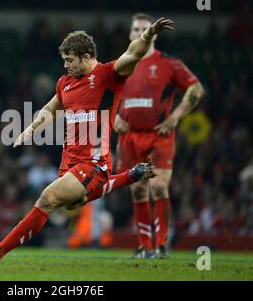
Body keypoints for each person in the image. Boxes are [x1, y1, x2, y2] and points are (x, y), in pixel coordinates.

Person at [0, 17, 174, 261]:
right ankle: (130, 176)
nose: (65, 65)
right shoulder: (65, 83)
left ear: (85, 56)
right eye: (64, 60)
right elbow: (50, 108)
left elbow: (132, 55)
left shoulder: (108, 75)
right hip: (68, 163)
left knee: (47, 199)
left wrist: (147, 36)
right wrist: (30, 129)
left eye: (69, 60)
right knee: (73, 203)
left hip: (93, 164)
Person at [79, 13, 204, 259]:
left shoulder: (169, 64)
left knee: (158, 187)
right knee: (137, 191)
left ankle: (162, 244)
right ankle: (145, 247)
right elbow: (95, 94)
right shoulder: (122, 65)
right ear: (130, 34)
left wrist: (176, 117)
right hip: (129, 137)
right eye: (135, 29)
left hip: (159, 136)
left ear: (154, 33)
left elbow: (195, 89)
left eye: (144, 29)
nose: (139, 33)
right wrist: (112, 118)